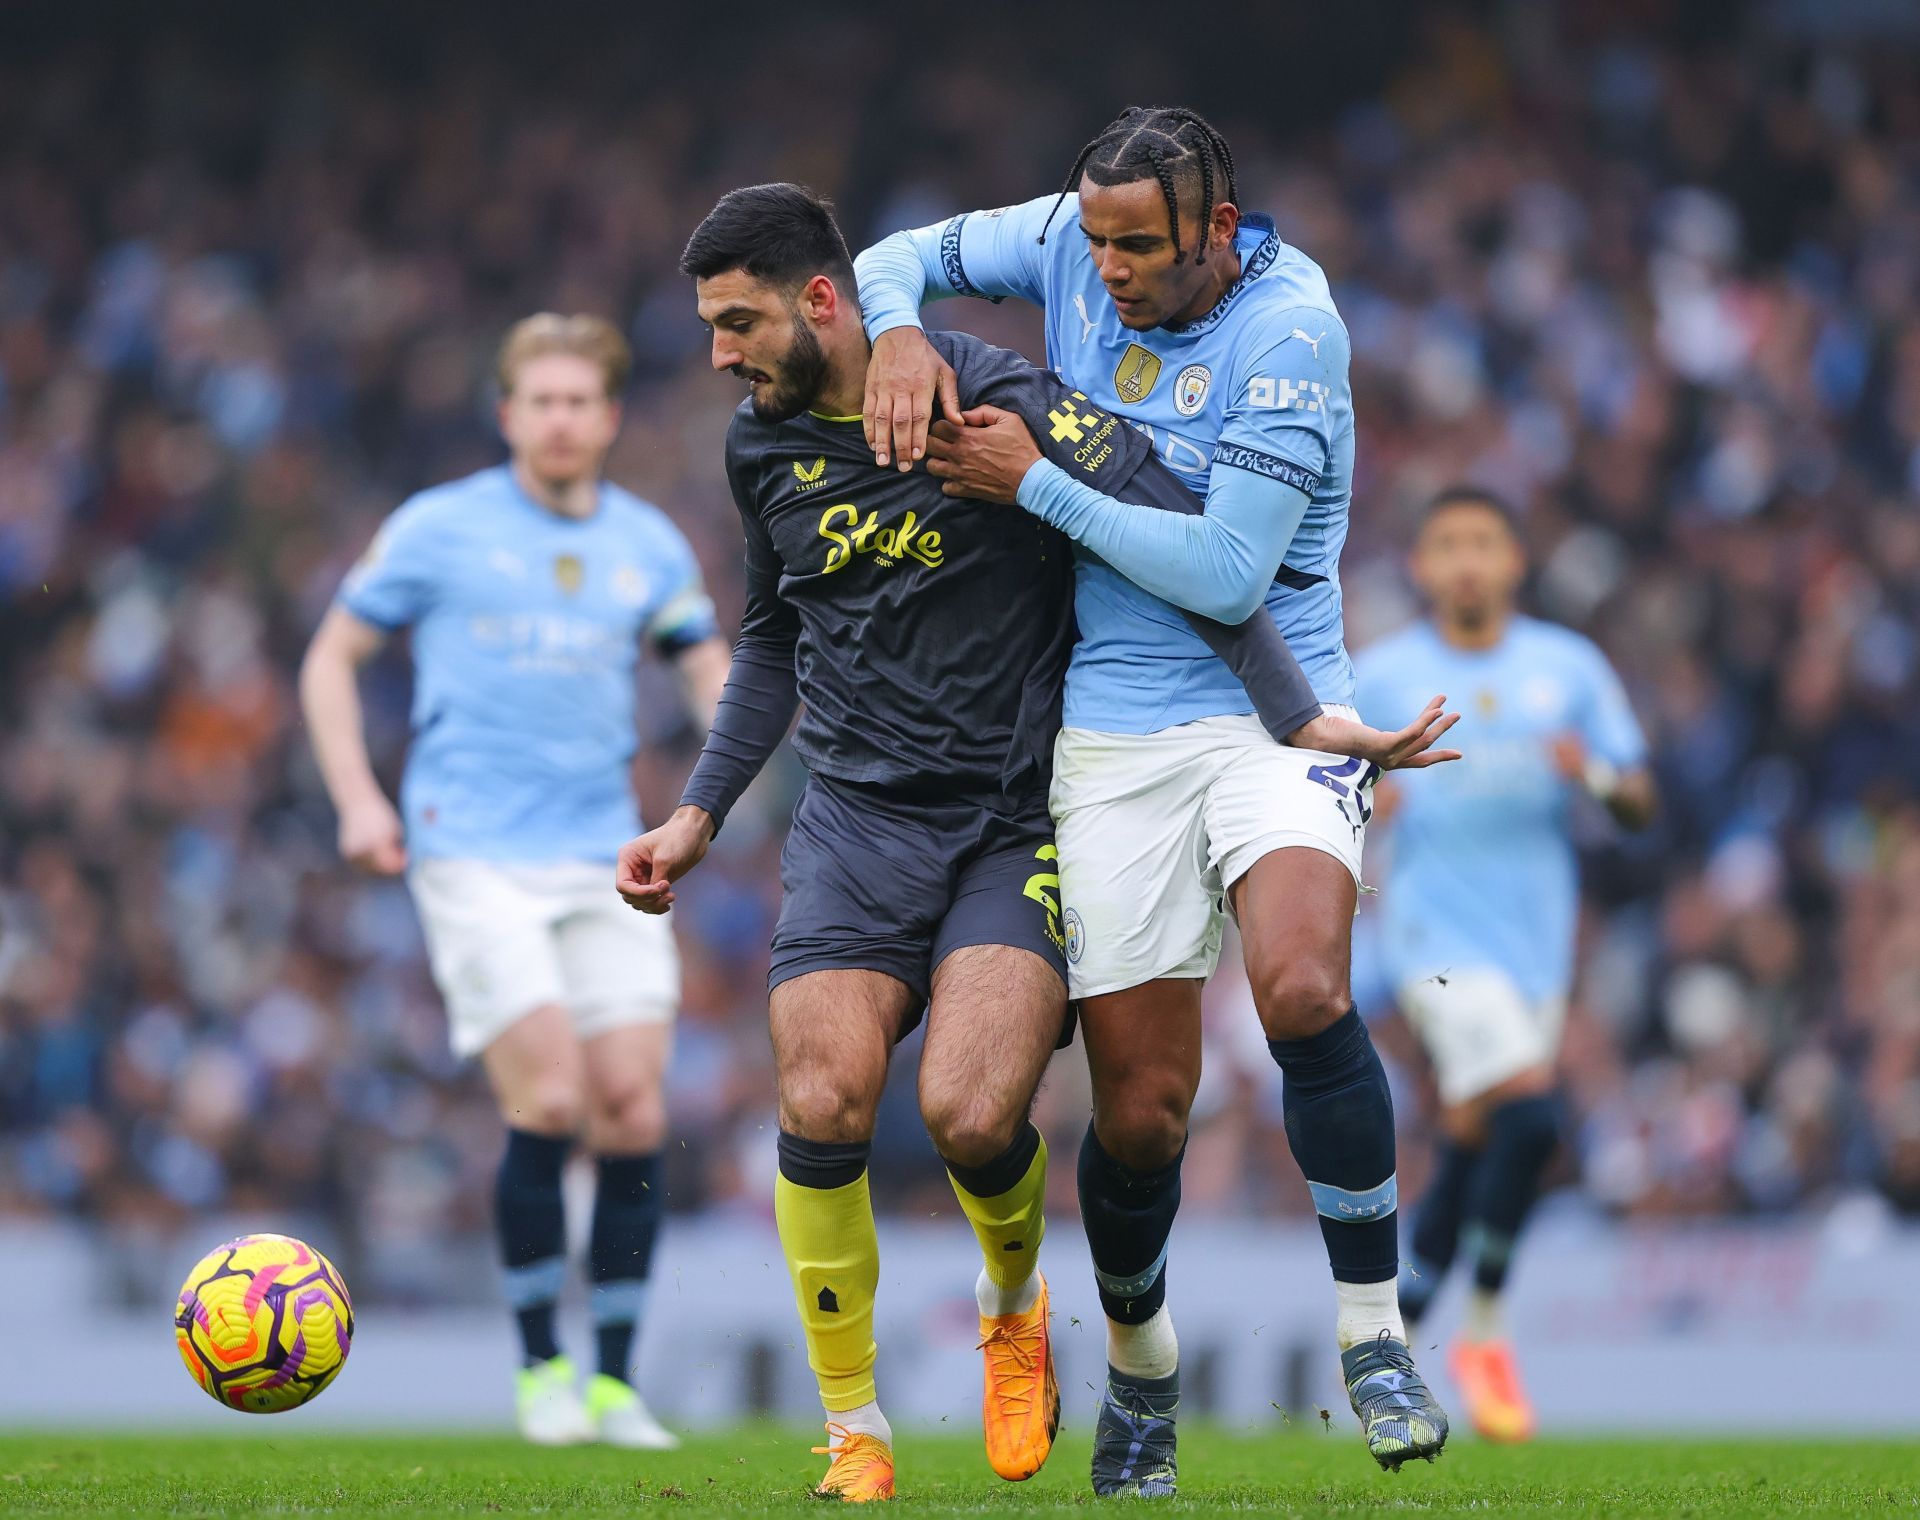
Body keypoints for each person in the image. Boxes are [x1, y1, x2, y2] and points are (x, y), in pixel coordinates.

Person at [619, 182, 1448, 1503]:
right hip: (854, 824)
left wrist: (1301, 715)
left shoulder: (1003, 395)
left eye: (736, 323)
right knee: (820, 1093)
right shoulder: (757, 448)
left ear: (819, 301)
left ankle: (1016, 1308)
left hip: (1016, 818)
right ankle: (856, 1433)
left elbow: (1193, 545)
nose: (720, 354)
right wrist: (697, 813)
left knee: (968, 1110)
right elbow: (773, 636)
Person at [854, 105, 1454, 1484]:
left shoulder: (1290, 332)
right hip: (1111, 738)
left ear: (1219, 235)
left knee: (1302, 988)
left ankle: (1374, 1334)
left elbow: (1225, 579)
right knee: (1140, 1115)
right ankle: (1139, 1368)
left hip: (1275, 715)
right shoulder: (1068, 236)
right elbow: (894, 254)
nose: (1105, 272)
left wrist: (1036, 486)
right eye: (1098, 240)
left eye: (1140, 249)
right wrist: (895, 328)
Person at [299, 314, 730, 1448]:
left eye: (578, 400)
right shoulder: (438, 529)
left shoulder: (647, 543)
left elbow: (709, 669)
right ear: (507, 415)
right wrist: (357, 797)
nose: (559, 418)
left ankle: (614, 1381)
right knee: (548, 1098)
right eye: (539, 400)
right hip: (471, 848)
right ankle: (542, 1366)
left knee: (634, 1107)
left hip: (606, 852)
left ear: (610, 416)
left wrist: (715, 785)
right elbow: (331, 657)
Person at [1355, 486, 1655, 1442]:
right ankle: (1485, 1328)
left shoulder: (1566, 669)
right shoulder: (1384, 675)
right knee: (1530, 1108)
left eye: (1485, 542)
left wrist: (1596, 777)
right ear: (1423, 567)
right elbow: (1315, 781)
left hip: (1538, 944)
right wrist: (1367, 798)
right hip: (1431, 937)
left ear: (1516, 562)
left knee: (1483, 1128)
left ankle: (1398, 1322)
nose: (1468, 561)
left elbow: (1640, 797)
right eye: (1449, 545)